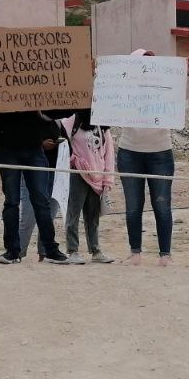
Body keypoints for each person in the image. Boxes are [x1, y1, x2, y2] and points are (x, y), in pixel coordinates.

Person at [116, 49, 188, 267]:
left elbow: (185, 95)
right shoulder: (124, 87)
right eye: (142, 63)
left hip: (160, 152)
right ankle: (135, 253)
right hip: (129, 151)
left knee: (162, 205)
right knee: (133, 206)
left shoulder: (164, 85)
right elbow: (105, 101)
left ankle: (165, 255)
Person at [0, 110, 73, 264]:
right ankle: (12, 250)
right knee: (12, 201)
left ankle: (50, 249)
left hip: (34, 148)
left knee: (41, 201)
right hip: (6, 147)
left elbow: (53, 112)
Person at [58, 109, 115, 265]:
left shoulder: (102, 125)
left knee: (93, 215)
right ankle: (73, 250)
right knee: (73, 213)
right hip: (78, 173)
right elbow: (62, 142)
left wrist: (107, 180)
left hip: (97, 175)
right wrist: (72, 160)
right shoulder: (72, 120)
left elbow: (109, 153)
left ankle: (96, 250)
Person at [16, 114, 64, 260]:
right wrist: (40, 144)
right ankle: (18, 251)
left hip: (57, 169)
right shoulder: (28, 116)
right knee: (28, 215)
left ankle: (44, 251)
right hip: (32, 169)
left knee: (50, 213)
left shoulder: (60, 118)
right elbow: (21, 137)